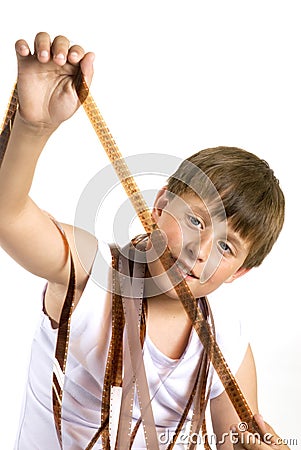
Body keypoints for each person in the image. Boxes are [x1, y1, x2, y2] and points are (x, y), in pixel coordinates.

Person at [0, 32, 290, 450]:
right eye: (194, 220)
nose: (200, 250)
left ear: (239, 272)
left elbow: (234, 440)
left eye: (226, 247)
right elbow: (8, 216)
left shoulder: (225, 339)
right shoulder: (90, 273)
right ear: (159, 206)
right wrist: (32, 129)